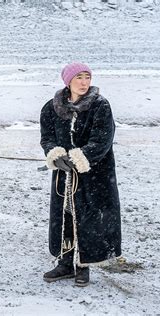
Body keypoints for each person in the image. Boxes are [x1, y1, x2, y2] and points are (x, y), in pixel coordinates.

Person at [40, 62, 122, 287]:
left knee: (88, 218)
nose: (84, 82)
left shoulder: (100, 106)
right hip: (63, 176)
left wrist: (78, 158)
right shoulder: (51, 107)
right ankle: (65, 263)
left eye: (87, 77)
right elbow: (47, 138)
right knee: (64, 217)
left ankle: (83, 265)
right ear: (68, 81)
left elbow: (102, 140)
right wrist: (55, 155)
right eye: (79, 77)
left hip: (94, 175)